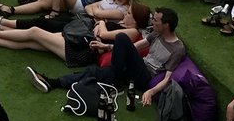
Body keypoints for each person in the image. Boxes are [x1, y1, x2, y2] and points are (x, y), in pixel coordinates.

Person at [26, 7, 185, 108]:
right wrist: (107, 47)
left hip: (145, 76)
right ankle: (52, 82)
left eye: (156, 21)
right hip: (134, 69)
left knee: (122, 38)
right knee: (94, 71)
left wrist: (151, 91)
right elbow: (136, 47)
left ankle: (115, 79)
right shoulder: (156, 34)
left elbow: (167, 79)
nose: (153, 22)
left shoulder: (177, 48)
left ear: (166, 25)